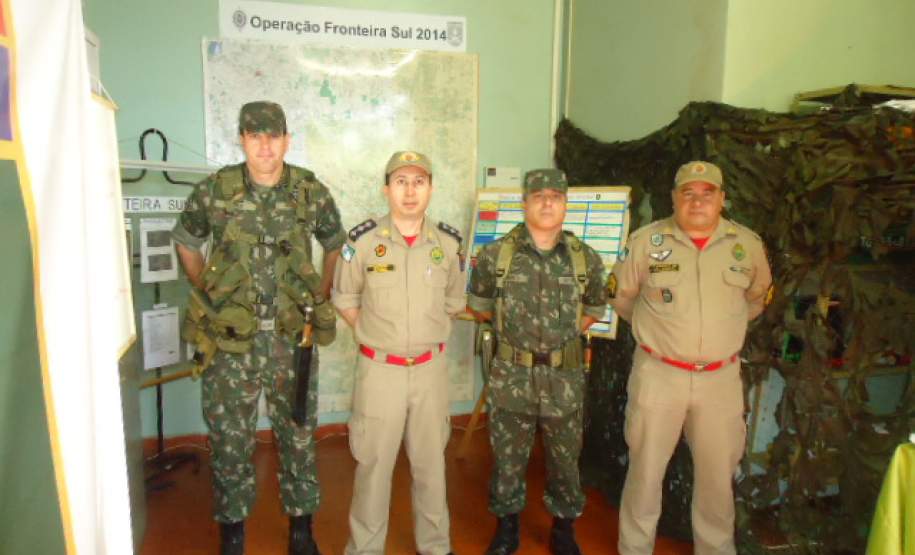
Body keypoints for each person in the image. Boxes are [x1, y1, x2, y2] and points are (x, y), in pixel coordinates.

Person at [172, 101, 344, 555]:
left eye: (273, 136)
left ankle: (301, 532)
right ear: (242, 139)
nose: (265, 145)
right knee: (229, 440)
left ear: (287, 139)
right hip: (231, 341)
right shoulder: (215, 190)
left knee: (299, 433)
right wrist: (207, 289)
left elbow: (334, 243)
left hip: (293, 337)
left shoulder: (309, 190)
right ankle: (233, 534)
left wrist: (320, 294)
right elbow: (186, 241)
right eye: (255, 135)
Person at [608, 161, 773, 555]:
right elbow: (621, 298)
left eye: (707, 192)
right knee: (645, 474)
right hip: (658, 375)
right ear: (674, 198)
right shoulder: (646, 241)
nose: (697, 201)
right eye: (688, 193)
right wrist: (665, 337)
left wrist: (717, 337)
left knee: (718, 479)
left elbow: (758, 297)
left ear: (722, 199)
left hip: (720, 381)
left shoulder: (746, 244)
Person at [331, 150, 466, 555]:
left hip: (430, 371)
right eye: (401, 182)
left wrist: (421, 337)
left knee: (431, 468)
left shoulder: (448, 243)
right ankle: (365, 549)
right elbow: (345, 298)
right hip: (380, 372)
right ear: (386, 189)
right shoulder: (363, 242)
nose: (410, 191)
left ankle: (436, 547)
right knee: (373, 467)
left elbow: (453, 302)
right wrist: (376, 335)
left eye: (419, 182)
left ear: (431, 188)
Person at [467, 169, 607, 555]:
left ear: (565, 203)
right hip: (512, 375)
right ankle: (507, 526)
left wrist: (560, 340)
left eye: (555, 196)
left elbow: (595, 306)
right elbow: (479, 306)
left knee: (565, 459)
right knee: (508, 458)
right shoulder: (497, 255)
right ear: (524, 202)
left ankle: (564, 528)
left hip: (564, 377)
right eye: (539, 195)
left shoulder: (584, 258)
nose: (547, 203)